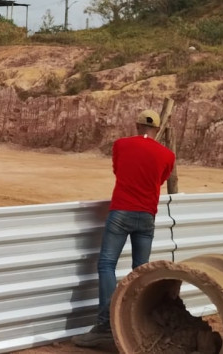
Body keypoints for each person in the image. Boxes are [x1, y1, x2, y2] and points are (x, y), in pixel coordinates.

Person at [73, 109, 176, 348]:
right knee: (140, 271)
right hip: (147, 215)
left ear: (137, 125)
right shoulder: (167, 155)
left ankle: (105, 325)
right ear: (157, 129)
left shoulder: (121, 145)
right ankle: (136, 325)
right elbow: (159, 180)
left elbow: (119, 171)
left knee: (107, 264)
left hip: (121, 211)